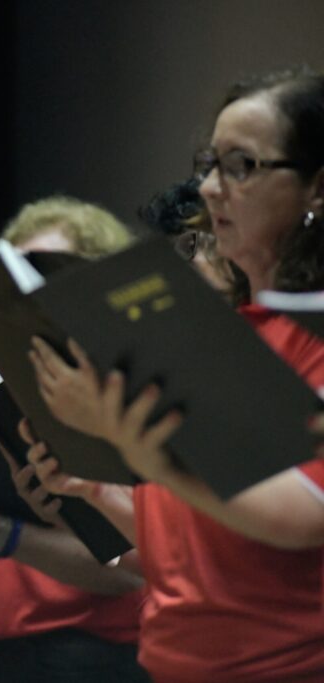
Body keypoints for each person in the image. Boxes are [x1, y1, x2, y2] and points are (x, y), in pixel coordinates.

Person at [27, 67, 324, 682]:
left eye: (241, 166)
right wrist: (96, 489)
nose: (212, 188)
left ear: (316, 188)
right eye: (209, 163)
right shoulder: (232, 332)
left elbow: (302, 516)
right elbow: (200, 535)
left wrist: (148, 451)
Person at [0, 196, 147, 683]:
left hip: (86, 652)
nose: (20, 294)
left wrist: (3, 536)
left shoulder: (107, 397)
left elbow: (130, 567)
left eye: (38, 273)